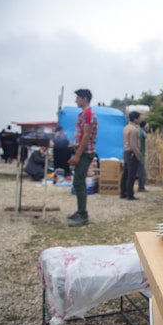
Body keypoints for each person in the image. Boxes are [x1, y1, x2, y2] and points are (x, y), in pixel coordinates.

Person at [67, 89, 98, 227]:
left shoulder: (88, 114)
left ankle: (83, 215)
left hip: (85, 152)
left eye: (78, 98)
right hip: (83, 151)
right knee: (78, 181)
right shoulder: (84, 114)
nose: (76, 101)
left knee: (79, 182)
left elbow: (86, 136)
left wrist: (77, 156)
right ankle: (80, 210)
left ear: (84, 99)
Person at [120, 111, 142, 200]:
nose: (140, 120)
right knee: (131, 175)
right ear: (135, 119)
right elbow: (134, 144)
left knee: (125, 173)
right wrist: (138, 155)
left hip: (126, 151)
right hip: (132, 152)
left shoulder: (126, 127)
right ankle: (130, 194)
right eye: (139, 118)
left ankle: (123, 192)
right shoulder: (133, 129)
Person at [137, 121, 149, 192]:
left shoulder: (142, 133)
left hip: (141, 154)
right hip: (140, 155)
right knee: (141, 172)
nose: (148, 127)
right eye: (147, 126)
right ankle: (141, 187)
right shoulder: (141, 134)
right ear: (144, 126)